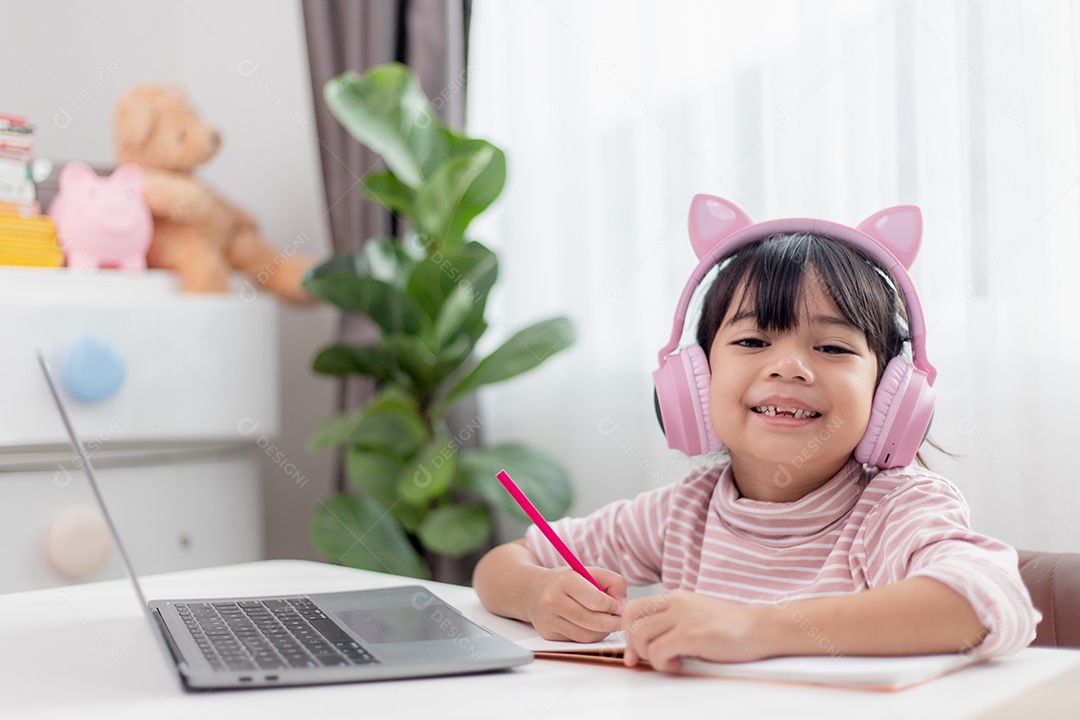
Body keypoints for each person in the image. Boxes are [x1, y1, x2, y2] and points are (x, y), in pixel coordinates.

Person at [472, 196, 1039, 673]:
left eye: (833, 347)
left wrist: (755, 628)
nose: (789, 368)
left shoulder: (896, 508)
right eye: (752, 342)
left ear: (892, 393)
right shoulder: (682, 513)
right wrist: (538, 596)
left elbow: (987, 602)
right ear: (695, 380)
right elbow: (503, 562)